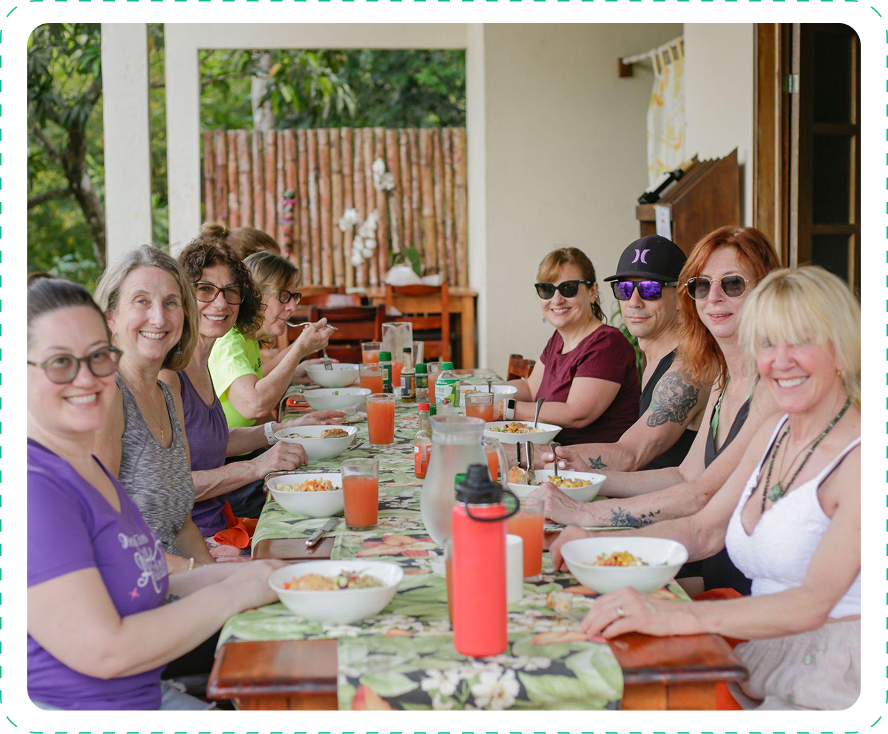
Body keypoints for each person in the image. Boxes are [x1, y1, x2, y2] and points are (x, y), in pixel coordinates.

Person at [552, 266, 886, 712]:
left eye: (801, 341)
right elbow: (702, 530)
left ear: (845, 350)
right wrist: (597, 541)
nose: (779, 361)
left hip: (838, 681)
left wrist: (676, 615)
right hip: (761, 656)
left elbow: (812, 604)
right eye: (767, 342)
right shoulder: (777, 429)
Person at [26, 274, 284, 711]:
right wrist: (236, 592)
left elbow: (152, 579)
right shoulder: (33, 489)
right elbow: (105, 651)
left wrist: (265, 573)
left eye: (99, 357)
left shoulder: (86, 468)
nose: (87, 378)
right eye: (60, 363)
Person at [535, 226, 781, 594]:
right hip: (697, 540)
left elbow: (699, 498)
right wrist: (568, 470)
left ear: (767, 293)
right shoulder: (722, 377)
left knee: (570, 589)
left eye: (732, 284)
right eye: (702, 285)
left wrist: (585, 512)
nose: (713, 297)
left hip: (735, 568)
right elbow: (685, 477)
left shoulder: (773, 389)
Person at [160, 231, 345, 542]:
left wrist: (284, 429)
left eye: (230, 291)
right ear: (181, 296)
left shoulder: (200, 361)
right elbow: (170, 485)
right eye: (205, 289)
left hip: (222, 524)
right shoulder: (168, 375)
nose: (220, 302)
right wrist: (257, 466)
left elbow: (212, 441)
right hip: (197, 540)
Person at [539, 235, 710, 471]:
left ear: (681, 297)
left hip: (666, 503)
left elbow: (630, 455)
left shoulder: (688, 369)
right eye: (625, 288)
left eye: (651, 289)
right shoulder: (653, 357)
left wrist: (527, 456)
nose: (634, 301)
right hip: (636, 492)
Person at [93, 246, 215, 572]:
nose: (159, 318)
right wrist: (211, 582)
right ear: (110, 318)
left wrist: (213, 576)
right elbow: (105, 540)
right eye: (142, 301)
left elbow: (182, 524)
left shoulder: (167, 394)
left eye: (171, 303)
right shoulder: (107, 396)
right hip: (132, 595)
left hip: (174, 582)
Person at [506, 247, 639, 445]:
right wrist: (478, 393)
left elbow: (576, 414)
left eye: (568, 289)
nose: (556, 300)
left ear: (592, 291)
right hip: (558, 458)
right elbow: (530, 388)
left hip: (594, 468)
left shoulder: (607, 344)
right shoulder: (559, 339)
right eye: (547, 289)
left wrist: (504, 407)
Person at [208, 250, 333, 430]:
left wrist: (290, 431)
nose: (292, 307)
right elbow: (254, 405)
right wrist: (299, 350)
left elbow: (254, 391)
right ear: (255, 297)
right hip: (227, 457)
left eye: (294, 297)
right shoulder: (228, 341)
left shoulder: (248, 338)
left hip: (245, 447)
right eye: (283, 297)